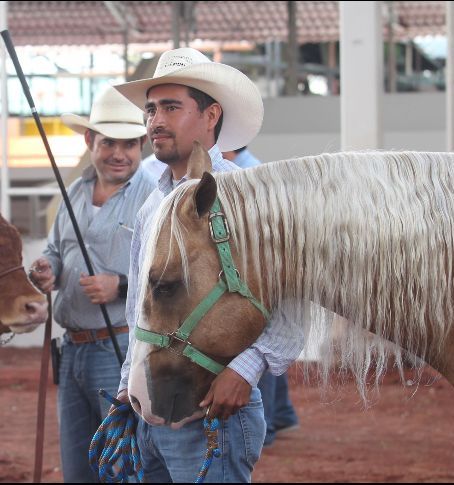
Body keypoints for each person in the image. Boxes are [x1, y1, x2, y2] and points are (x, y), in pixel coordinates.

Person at [113, 47, 305, 482]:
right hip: (151, 411)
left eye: (171, 107)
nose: (155, 121)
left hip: (212, 412)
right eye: (151, 110)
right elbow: (140, 311)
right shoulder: (152, 206)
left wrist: (246, 370)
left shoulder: (247, 198)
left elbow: (293, 301)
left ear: (211, 114)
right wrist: (128, 385)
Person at [28, 85, 156, 483]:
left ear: (141, 146)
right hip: (72, 350)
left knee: (122, 465)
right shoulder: (74, 193)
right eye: (108, 143)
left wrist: (120, 286)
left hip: (120, 348)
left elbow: (170, 275)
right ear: (90, 141)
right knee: (77, 465)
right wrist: (47, 270)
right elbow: (55, 250)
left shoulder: (154, 197)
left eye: (129, 144)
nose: (119, 153)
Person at [221, 147, 302, 448]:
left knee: (259, 346)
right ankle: (281, 414)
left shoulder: (246, 177)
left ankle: (268, 424)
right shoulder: (253, 171)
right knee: (268, 349)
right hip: (260, 277)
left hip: (255, 278)